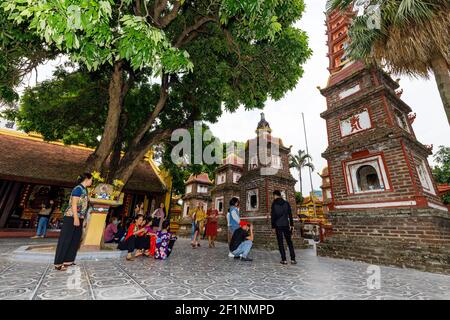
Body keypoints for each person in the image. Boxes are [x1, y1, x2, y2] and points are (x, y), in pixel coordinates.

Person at [54, 173, 92, 271]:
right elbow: (74, 204)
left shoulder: (85, 189)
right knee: (65, 239)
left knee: (75, 239)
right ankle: (58, 263)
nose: (91, 181)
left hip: (79, 217)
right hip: (71, 216)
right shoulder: (78, 189)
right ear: (87, 179)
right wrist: (75, 218)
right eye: (91, 179)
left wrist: (81, 219)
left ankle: (68, 261)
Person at [271, 190, 296, 265]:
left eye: (273, 196)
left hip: (278, 225)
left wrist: (273, 227)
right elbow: (290, 215)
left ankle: (284, 259)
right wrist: (292, 225)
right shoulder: (286, 203)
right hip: (286, 224)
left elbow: (273, 216)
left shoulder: (274, 204)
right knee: (289, 242)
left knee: (280, 242)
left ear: (275, 195)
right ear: (280, 195)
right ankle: (293, 259)